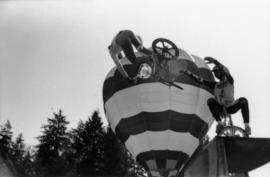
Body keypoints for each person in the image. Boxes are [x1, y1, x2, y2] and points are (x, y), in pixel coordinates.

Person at [180, 57, 251, 135]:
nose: (215, 74)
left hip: (231, 107)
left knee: (243, 100)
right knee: (210, 100)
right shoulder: (215, 85)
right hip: (220, 107)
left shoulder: (230, 81)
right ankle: (220, 124)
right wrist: (188, 73)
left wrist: (215, 61)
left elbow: (225, 70)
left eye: (217, 72)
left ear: (222, 72)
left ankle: (247, 126)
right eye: (214, 73)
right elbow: (200, 80)